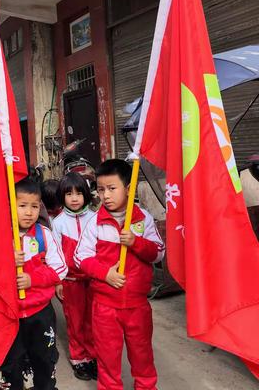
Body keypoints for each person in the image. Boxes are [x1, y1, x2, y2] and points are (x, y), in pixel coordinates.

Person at [74, 159, 165, 390]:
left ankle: (146, 386)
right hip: (104, 306)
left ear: (128, 188)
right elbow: (80, 258)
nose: (105, 195)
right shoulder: (95, 221)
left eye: (112, 188)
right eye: (101, 189)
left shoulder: (142, 218)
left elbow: (158, 254)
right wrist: (105, 274)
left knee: (142, 354)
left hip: (137, 305)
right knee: (107, 358)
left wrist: (137, 243)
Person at [0, 178, 67, 390]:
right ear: (10, 206)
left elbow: (61, 269)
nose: (29, 212)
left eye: (34, 206)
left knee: (45, 361)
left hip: (40, 314)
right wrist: (7, 263)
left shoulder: (44, 235)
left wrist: (32, 279)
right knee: (11, 365)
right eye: (22, 205)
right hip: (10, 314)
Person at [52, 173, 96, 381]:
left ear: (86, 194)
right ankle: (79, 358)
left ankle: (93, 355)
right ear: (62, 197)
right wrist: (59, 281)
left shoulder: (95, 219)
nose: (75, 198)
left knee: (94, 320)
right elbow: (55, 255)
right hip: (70, 282)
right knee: (75, 320)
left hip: (94, 279)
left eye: (79, 193)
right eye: (69, 193)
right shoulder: (58, 223)